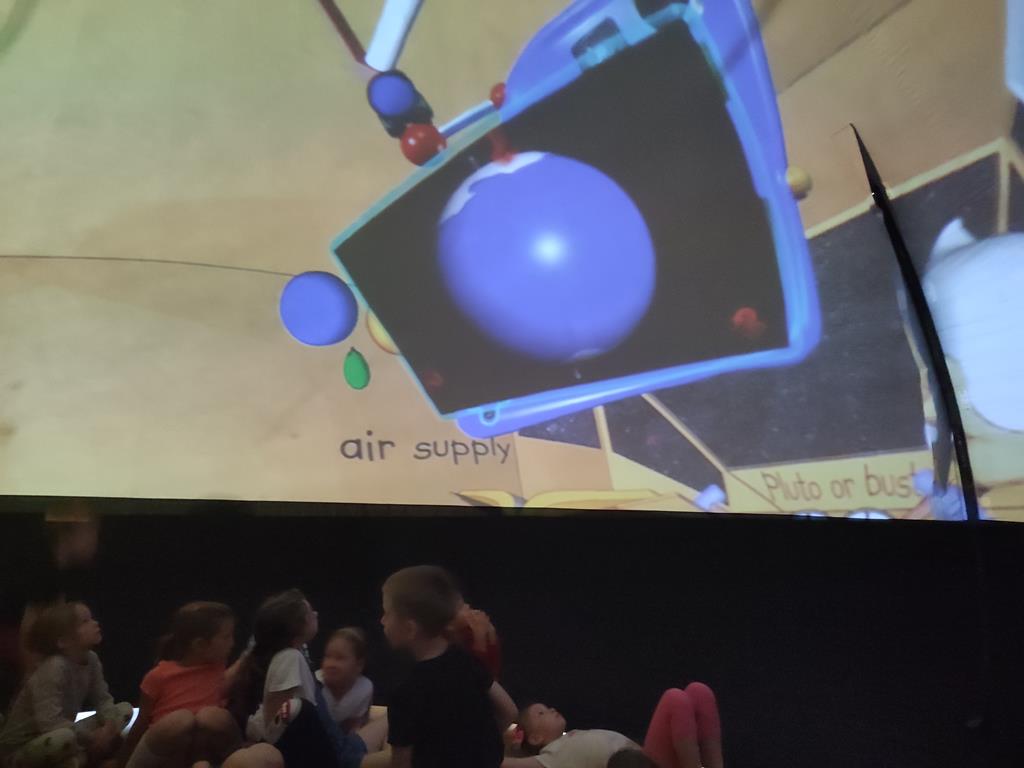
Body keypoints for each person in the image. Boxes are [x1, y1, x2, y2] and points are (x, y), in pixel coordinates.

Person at [227, 591, 387, 768]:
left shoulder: (294, 655)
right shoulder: (289, 658)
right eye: (310, 613)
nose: (316, 614)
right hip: (335, 754)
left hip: (337, 744)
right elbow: (274, 724)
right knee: (394, 728)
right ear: (297, 627)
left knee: (389, 719)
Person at [381, 566, 517, 768]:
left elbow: (401, 763)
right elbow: (509, 711)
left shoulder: (406, 693)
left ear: (410, 629)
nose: (382, 620)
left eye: (387, 613)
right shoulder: (467, 661)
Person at [0, 603, 132, 768]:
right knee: (64, 738)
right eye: (85, 621)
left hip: (64, 731)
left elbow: (103, 699)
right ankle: (84, 757)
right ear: (63, 641)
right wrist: (91, 738)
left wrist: (108, 727)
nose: (95, 623)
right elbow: (49, 723)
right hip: (25, 746)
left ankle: (81, 757)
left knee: (124, 709)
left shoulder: (91, 659)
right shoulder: (54, 667)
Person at [0, 503, 100, 713]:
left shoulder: (56, 571)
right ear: (71, 531)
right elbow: (30, 631)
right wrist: (31, 681)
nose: (95, 541)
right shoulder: (43, 569)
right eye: (91, 531)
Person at [120, 602, 242, 768]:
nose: (232, 643)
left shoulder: (219, 668)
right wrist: (122, 759)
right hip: (167, 752)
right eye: (227, 637)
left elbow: (236, 671)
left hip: (201, 750)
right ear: (200, 645)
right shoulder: (159, 676)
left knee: (211, 716)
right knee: (180, 720)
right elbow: (141, 723)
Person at [504, 683, 723, 768]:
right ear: (535, 738)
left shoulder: (572, 736)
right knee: (674, 699)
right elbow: (501, 763)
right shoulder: (551, 756)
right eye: (541, 713)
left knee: (698, 692)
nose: (551, 709)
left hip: (647, 757)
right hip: (647, 763)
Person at [316, 629, 373, 733]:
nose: (331, 664)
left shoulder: (364, 688)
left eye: (339, 658)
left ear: (359, 665)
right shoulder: (315, 683)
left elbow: (357, 724)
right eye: (328, 656)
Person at [446, 596, 501, 681]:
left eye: (464, 603)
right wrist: (480, 638)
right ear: (449, 625)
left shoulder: (468, 631)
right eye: (460, 608)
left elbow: (493, 672)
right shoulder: (450, 647)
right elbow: (477, 677)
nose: (467, 606)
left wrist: (491, 635)